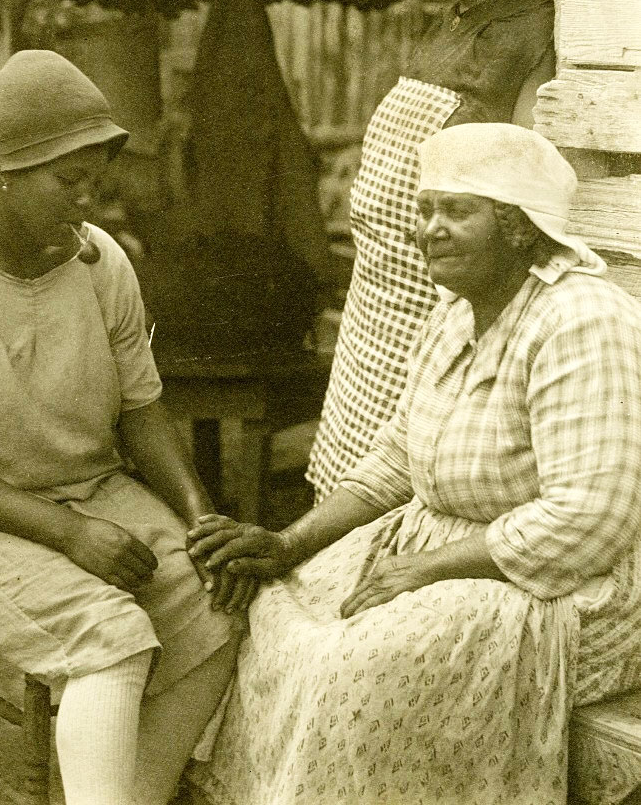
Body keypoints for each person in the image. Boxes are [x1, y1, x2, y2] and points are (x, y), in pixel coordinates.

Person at [186, 123, 641, 805]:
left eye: (456, 211)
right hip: (442, 547)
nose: (430, 229)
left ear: (519, 228)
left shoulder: (582, 321)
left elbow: (587, 520)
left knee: (347, 666)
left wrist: (425, 570)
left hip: (554, 585)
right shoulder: (455, 313)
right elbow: (399, 458)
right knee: (274, 611)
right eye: (425, 210)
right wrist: (289, 541)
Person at [0, 50, 251, 805]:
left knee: (225, 603)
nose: (86, 199)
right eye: (66, 179)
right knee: (109, 636)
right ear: (0, 167)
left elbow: (142, 412)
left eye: (95, 177)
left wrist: (199, 515)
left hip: (86, 490)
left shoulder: (101, 261)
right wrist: (69, 535)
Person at [307, 0, 556, 500]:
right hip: (374, 306)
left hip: (441, 316)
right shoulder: (449, 25)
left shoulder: (533, 35)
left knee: (395, 498)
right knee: (340, 491)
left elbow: (526, 209)